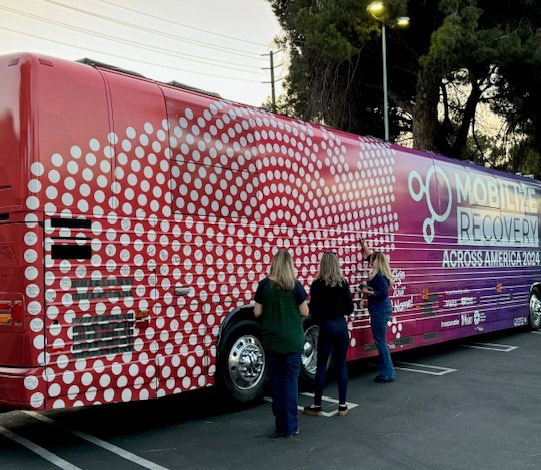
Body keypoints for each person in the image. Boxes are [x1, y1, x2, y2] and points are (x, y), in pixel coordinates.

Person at [254, 250, 309, 438]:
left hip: (272, 341)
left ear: (274, 264)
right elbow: (305, 312)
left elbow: (257, 312)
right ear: (290, 265)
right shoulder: (296, 286)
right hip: (292, 340)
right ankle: (292, 427)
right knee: (291, 382)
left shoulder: (264, 285)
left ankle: (280, 427)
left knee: (276, 382)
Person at [304, 252, 354, 417]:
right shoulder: (343, 283)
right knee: (341, 365)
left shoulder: (317, 285)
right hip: (341, 326)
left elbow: (314, 312)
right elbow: (349, 309)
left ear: (322, 265)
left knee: (321, 365)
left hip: (326, 326)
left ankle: (317, 405)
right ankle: (342, 406)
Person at [360, 237, 396, 383]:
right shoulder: (380, 272)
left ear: (375, 261)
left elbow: (382, 293)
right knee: (381, 341)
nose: (369, 261)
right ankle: (388, 372)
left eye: (371, 259)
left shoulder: (379, 276)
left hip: (379, 310)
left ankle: (387, 373)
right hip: (381, 309)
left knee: (380, 342)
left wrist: (367, 291)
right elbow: (370, 255)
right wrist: (364, 245)